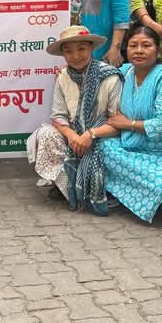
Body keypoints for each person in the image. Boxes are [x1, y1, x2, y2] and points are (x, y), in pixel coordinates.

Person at [98, 26, 162, 223]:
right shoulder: (124, 72)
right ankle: (131, 193)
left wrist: (127, 124)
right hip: (129, 148)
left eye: (146, 45)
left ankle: (130, 191)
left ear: (158, 51)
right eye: (133, 45)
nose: (139, 50)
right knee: (100, 146)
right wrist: (67, 71)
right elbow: (95, 74)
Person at [29, 26, 123, 211]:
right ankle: (67, 188)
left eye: (81, 49)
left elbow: (117, 121)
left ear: (91, 48)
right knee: (45, 134)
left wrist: (90, 135)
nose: (76, 56)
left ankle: (99, 189)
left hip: (102, 135)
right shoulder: (63, 77)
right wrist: (72, 136)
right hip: (73, 136)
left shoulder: (110, 77)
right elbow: (58, 115)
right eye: (68, 51)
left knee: (109, 148)